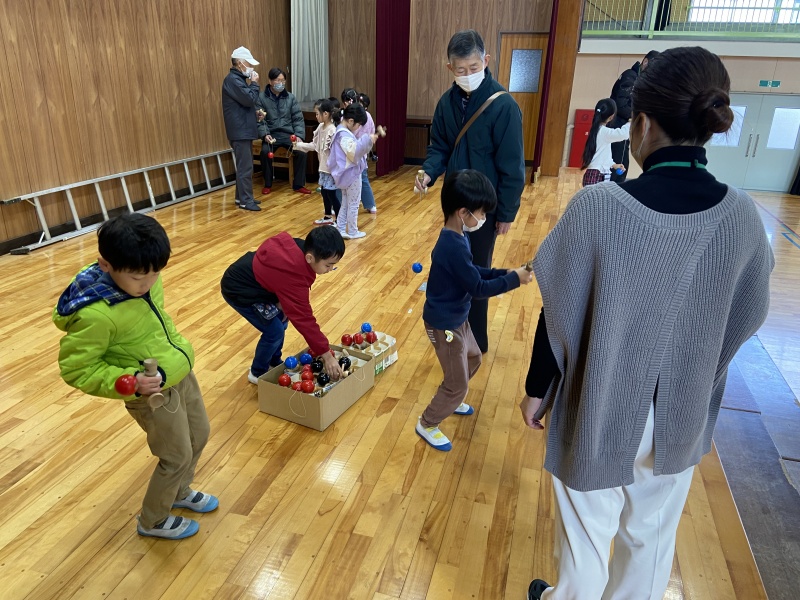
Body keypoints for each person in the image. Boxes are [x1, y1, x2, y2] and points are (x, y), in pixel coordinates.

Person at [521, 46, 774, 600]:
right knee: (651, 541)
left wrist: (538, 388)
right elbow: (749, 313)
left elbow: (558, 305)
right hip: (682, 412)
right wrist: (702, 369)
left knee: (586, 540)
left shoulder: (599, 207)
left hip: (601, 401)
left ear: (641, 123)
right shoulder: (741, 217)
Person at [53, 214, 216, 540]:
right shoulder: (95, 314)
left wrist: (174, 359)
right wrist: (130, 380)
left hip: (179, 373)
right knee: (176, 455)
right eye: (140, 278)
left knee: (200, 435)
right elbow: (77, 369)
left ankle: (179, 492)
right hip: (151, 394)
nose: (149, 284)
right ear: (106, 265)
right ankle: (153, 520)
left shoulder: (144, 274)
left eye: (156, 274)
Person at [415, 29, 525, 354]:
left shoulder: (503, 105)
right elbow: (440, 147)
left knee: (476, 269)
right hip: (454, 205)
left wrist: (506, 213)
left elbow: (512, 166)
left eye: (474, 68)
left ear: (486, 61)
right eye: (460, 69)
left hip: (482, 209)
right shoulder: (446, 104)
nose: (467, 75)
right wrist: (428, 172)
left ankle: (475, 341)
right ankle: (453, 330)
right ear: (450, 68)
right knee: (453, 267)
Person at [416, 170, 533, 452]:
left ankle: (452, 394)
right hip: (444, 325)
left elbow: (473, 272)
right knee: (458, 384)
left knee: (474, 357)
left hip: (458, 317)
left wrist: (505, 273)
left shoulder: (459, 236)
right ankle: (428, 422)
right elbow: (478, 288)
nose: (483, 219)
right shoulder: (452, 246)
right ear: (463, 212)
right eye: (480, 213)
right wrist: (514, 280)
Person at [220, 226, 346, 384]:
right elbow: (304, 319)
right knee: (274, 331)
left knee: (282, 320)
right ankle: (257, 372)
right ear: (309, 258)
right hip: (239, 289)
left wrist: (284, 301)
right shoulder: (294, 274)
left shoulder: (302, 249)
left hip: (259, 284)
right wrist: (326, 354)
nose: (330, 269)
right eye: (328, 265)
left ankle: (273, 362)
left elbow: (281, 280)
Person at [256, 68, 311, 195]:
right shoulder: (261, 98)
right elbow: (260, 120)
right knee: (265, 152)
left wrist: (299, 135)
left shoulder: (290, 97)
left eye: (283, 80)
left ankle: (298, 185)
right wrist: (265, 134)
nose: (280, 83)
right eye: (277, 80)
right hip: (271, 134)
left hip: (288, 134)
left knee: (302, 152)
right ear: (270, 81)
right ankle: (268, 184)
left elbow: (297, 118)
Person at [328, 103, 378, 240]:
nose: (359, 128)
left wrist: (368, 140)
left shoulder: (340, 132)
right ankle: (352, 231)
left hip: (346, 175)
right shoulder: (343, 135)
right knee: (354, 203)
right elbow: (354, 152)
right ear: (351, 121)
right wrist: (368, 139)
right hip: (351, 174)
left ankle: (341, 228)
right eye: (359, 125)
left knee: (345, 202)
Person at [609, 50, 659, 183]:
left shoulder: (639, 79)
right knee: (619, 164)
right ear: (645, 62)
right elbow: (621, 105)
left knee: (621, 164)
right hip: (618, 127)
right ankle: (614, 191)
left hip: (623, 128)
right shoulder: (630, 76)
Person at [222, 46, 262, 211]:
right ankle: (246, 200)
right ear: (239, 63)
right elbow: (249, 99)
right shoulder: (233, 80)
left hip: (242, 129)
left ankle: (241, 197)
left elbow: (244, 104)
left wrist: (255, 114)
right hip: (240, 131)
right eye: (249, 63)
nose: (251, 67)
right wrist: (254, 84)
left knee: (244, 166)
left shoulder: (237, 80)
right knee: (245, 167)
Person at [293, 98, 342, 224]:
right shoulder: (320, 127)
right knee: (324, 193)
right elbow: (315, 146)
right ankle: (327, 217)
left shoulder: (332, 130)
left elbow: (336, 152)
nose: (316, 116)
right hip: (322, 168)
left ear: (325, 114)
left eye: (317, 113)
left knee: (331, 194)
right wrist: (299, 145)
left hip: (330, 169)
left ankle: (339, 221)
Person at [342, 88, 378, 214]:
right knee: (363, 178)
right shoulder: (367, 115)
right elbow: (372, 132)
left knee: (344, 180)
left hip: (351, 152)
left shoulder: (348, 117)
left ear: (346, 102)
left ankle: (341, 206)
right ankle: (370, 205)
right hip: (362, 152)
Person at [580, 98, 629, 187]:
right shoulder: (603, 132)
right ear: (611, 117)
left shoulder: (598, 130)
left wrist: (614, 165)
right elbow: (623, 134)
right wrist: (631, 122)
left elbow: (602, 155)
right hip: (597, 176)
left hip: (595, 175)